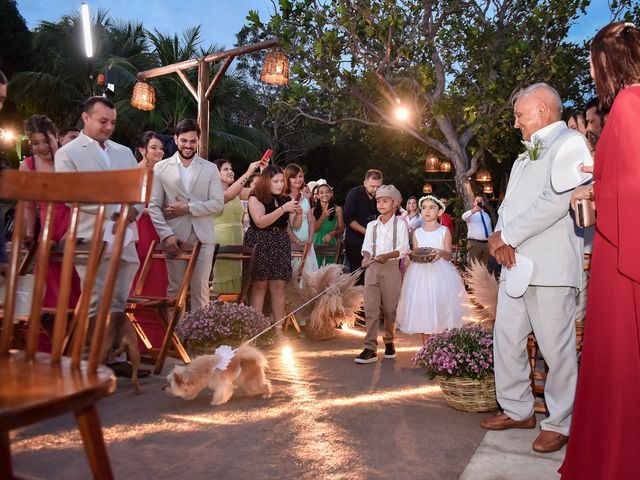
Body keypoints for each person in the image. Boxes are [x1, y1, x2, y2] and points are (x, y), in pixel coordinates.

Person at [480, 83, 591, 454]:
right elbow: (511, 206)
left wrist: (507, 235)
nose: (515, 124)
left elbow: (557, 202)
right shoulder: (522, 158)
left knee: (555, 349)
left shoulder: (570, 143)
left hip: (551, 267)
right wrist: (499, 236)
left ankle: (559, 422)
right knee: (506, 338)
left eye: (520, 115)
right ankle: (517, 409)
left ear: (542, 111)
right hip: (516, 265)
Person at [561, 22, 640, 480]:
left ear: (607, 60)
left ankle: (613, 463)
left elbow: (630, 190)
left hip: (620, 255)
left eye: (594, 65)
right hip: (621, 244)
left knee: (617, 363)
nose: (593, 76)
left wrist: (591, 194)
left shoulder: (628, 104)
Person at [55, 96, 145, 377]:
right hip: (90, 235)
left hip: (125, 236)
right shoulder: (69, 153)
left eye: (112, 122)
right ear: (86, 118)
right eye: (102, 121)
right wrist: (114, 212)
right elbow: (70, 195)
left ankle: (112, 355)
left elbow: (139, 187)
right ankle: (87, 358)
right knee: (95, 297)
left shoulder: (123, 152)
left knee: (119, 298)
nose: (108, 127)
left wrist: (133, 211)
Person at [148, 119, 224, 313]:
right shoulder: (161, 168)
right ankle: (175, 340)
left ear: (198, 141)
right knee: (175, 290)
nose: (188, 145)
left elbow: (217, 204)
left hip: (203, 238)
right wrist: (166, 235)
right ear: (175, 139)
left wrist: (189, 208)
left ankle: (200, 341)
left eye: (192, 141)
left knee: (201, 290)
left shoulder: (210, 168)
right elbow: (154, 206)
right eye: (184, 140)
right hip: (175, 238)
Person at [20, 115, 81, 309]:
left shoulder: (70, 160)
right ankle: (47, 337)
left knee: (75, 284)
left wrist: (71, 233)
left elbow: (83, 202)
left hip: (75, 226)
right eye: (35, 143)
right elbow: (28, 205)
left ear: (56, 137)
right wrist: (29, 233)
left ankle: (74, 335)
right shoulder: (28, 166)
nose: (42, 147)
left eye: (46, 141)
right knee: (47, 286)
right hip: (46, 232)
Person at [396, 196, 469, 344]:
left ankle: (440, 348)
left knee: (440, 307)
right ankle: (427, 349)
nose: (427, 211)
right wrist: (410, 257)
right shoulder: (417, 232)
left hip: (440, 274)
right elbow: (416, 253)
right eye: (424, 208)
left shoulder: (444, 231)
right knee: (423, 309)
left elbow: (448, 256)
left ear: (440, 211)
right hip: (419, 275)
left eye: (432, 207)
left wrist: (441, 252)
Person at [354, 185, 409, 364]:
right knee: (370, 308)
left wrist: (388, 256)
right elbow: (367, 245)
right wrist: (366, 257)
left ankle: (390, 341)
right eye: (378, 201)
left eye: (385, 201)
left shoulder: (400, 225)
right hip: (372, 268)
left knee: (390, 308)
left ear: (395, 203)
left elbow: (403, 248)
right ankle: (370, 347)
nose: (381, 204)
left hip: (391, 267)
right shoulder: (372, 225)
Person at [244, 165, 302, 322]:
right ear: (266, 181)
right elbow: (260, 222)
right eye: (275, 181)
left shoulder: (285, 198)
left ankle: (277, 329)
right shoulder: (255, 196)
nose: (280, 185)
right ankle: (256, 328)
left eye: (281, 181)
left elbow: (295, 225)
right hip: (260, 242)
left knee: (279, 286)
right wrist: (283, 209)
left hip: (280, 242)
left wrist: (298, 214)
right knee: (259, 285)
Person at [130, 131, 167, 350]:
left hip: (159, 229)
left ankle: (157, 341)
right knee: (140, 282)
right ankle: (137, 341)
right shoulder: (134, 173)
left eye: (161, 148)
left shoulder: (162, 174)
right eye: (153, 147)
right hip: (140, 229)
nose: (159, 151)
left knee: (158, 282)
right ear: (142, 150)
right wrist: (150, 211)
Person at [212, 158, 262, 294]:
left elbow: (258, 192)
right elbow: (227, 195)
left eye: (231, 169)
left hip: (238, 238)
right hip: (221, 240)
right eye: (225, 169)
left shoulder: (238, 192)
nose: (230, 172)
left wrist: (263, 171)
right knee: (222, 281)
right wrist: (249, 172)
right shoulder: (212, 192)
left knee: (238, 282)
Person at [343, 169, 383, 284]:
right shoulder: (354, 194)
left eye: (378, 186)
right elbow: (348, 218)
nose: (375, 189)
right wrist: (367, 231)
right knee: (357, 276)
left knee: (373, 276)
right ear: (365, 183)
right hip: (355, 241)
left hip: (375, 243)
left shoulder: (382, 196)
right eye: (372, 186)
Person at [284, 163, 318, 274]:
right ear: (287, 179)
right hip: (291, 243)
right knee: (294, 276)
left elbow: (311, 221)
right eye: (294, 177)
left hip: (307, 242)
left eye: (300, 176)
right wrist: (297, 241)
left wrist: (310, 238)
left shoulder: (304, 196)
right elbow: (285, 225)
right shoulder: (284, 197)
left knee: (310, 278)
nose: (298, 179)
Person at [312, 183, 344, 266]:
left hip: (331, 243)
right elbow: (313, 230)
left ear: (331, 194)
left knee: (330, 273)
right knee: (315, 273)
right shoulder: (312, 211)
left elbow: (342, 228)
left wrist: (333, 233)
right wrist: (323, 217)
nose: (325, 194)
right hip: (316, 243)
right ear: (318, 196)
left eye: (327, 192)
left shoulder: (338, 209)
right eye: (321, 193)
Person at [461, 196, 492, 263]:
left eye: (481, 200)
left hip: (486, 244)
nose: (479, 201)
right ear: (474, 203)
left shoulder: (486, 215)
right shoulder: (470, 215)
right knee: (474, 267)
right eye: (477, 200)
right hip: (475, 244)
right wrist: (474, 210)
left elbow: (489, 229)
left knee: (485, 268)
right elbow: (463, 217)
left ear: (483, 203)